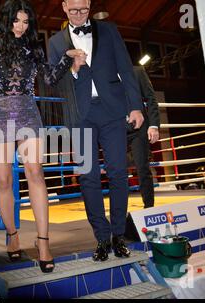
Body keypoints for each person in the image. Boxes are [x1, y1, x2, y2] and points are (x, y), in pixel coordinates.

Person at [0, 0, 85, 273]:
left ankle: (43, 242)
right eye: (16, 21)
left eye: (25, 21)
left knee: (35, 172)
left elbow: (48, 77)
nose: (21, 26)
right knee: (2, 178)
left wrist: (69, 61)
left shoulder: (33, 47)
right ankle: (12, 235)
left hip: (27, 111)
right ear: (7, 20)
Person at [49, 0, 144, 261]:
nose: (79, 16)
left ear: (89, 5)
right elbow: (52, 84)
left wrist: (136, 106)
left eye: (84, 10)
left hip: (113, 111)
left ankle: (118, 235)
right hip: (80, 116)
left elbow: (126, 68)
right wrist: (74, 70)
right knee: (88, 177)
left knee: (118, 173)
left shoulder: (109, 30)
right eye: (73, 11)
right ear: (64, 7)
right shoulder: (56, 42)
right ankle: (101, 239)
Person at [128, 66, 160, 208]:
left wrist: (154, 125)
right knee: (115, 169)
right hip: (114, 127)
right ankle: (119, 215)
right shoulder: (104, 72)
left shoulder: (136, 71)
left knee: (142, 167)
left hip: (139, 127)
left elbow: (151, 98)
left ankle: (149, 208)